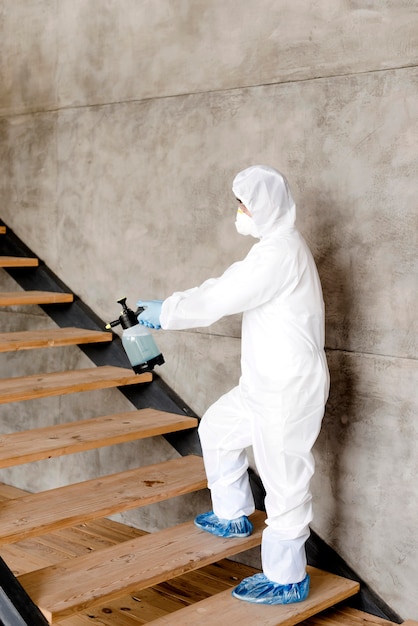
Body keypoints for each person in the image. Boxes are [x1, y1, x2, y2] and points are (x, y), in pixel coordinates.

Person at [137, 165, 330, 605]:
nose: (238, 211)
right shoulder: (272, 249)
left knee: (284, 483)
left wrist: (167, 311)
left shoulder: (280, 253)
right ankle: (233, 514)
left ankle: (286, 577)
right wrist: (169, 306)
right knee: (217, 430)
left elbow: (222, 297)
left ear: (262, 209)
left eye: (243, 204)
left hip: (287, 391)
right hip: (263, 385)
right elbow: (226, 284)